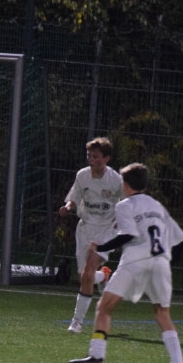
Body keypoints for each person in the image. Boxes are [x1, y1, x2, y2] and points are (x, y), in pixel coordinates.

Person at [68, 162, 183, 363]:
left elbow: (128, 235)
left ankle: (97, 356)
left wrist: (100, 247)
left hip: (135, 260)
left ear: (125, 185)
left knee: (104, 307)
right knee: (162, 313)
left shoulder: (124, 205)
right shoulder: (157, 206)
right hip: (160, 263)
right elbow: (179, 241)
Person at [58, 137, 124, 333]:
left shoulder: (115, 180)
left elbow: (126, 202)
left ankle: (77, 322)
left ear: (106, 159)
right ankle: (103, 277)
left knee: (87, 273)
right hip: (85, 229)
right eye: (89, 156)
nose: (91, 159)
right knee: (84, 277)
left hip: (106, 230)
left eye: (95, 156)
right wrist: (67, 207)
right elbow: (74, 198)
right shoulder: (82, 176)